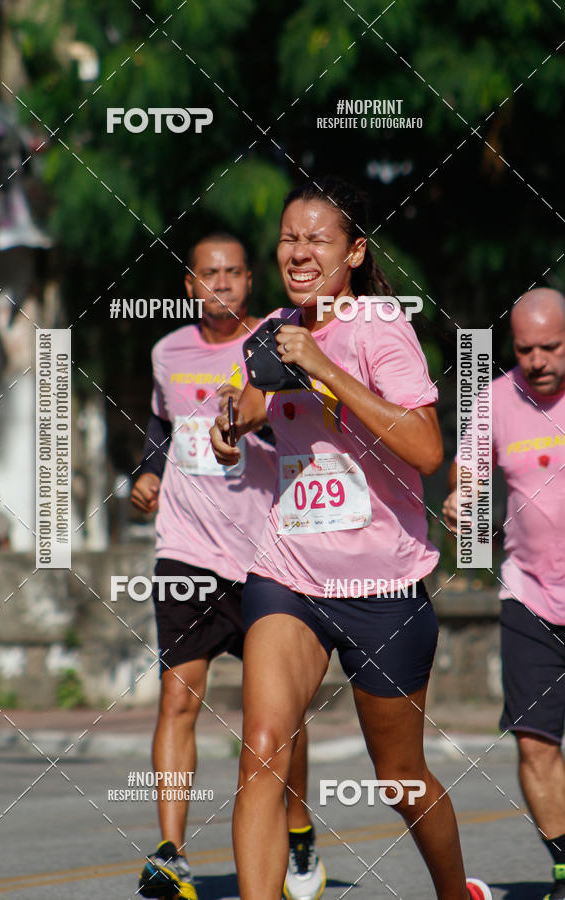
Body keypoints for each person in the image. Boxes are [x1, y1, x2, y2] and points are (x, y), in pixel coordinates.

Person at [211, 177, 492, 900]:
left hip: (382, 586)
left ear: (354, 251)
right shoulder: (270, 331)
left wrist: (324, 366)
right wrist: (228, 427)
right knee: (264, 753)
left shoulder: (378, 327)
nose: (299, 253)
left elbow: (428, 450)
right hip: (291, 573)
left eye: (318, 239)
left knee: (400, 779)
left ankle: (455, 891)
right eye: (288, 239)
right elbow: (243, 420)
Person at [131, 232, 325, 900]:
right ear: (189, 285)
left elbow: (305, 419)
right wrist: (149, 474)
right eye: (208, 275)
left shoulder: (276, 339)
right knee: (175, 698)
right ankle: (170, 853)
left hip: (267, 554)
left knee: (276, 719)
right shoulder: (167, 352)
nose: (221, 285)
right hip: (185, 549)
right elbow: (162, 423)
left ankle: (297, 833)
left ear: (250, 281)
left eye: (234, 274)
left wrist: (250, 423)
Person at [444, 288, 565, 900]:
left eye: (552, 347)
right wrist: (460, 498)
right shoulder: (494, 398)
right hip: (531, 596)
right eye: (525, 350)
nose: (538, 360)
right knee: (536, 741)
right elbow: (468, 470)